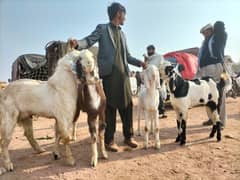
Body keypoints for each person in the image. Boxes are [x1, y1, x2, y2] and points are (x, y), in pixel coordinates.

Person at [71, 2, 146, 152]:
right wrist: (77, 43)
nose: (125, 17)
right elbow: (89, 40)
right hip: (110, 74)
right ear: (119, 13)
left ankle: (128, 136)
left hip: (124, 74)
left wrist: (139, 63)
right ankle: (109, 140)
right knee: (110, 107)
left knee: (127, 105)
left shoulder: (123, 34)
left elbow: (128, 56)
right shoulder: (103, 28)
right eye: (124, 14)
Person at [197, 22, 228, 128]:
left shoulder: (218, 38)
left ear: (212, 30)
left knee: (219, 94)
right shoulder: (204, 43)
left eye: (206, 31)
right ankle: (211, 118)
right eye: (203, 33)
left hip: (216, 69)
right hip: (204, 71)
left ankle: (221, 121)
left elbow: (221, 30)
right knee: (207, 95)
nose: (204, 34)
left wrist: (217, 26)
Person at [145, 45, 167, 118]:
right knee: (151, 94)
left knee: (157, 93)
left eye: (149, 50)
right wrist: (145, 60)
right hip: (149, 79)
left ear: (153, 50)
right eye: (147, 50)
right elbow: (145, 68)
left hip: (158, 78)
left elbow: (160, 67)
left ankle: (161, 111)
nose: (148, 52)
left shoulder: (159, 57)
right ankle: (154, 110)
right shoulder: (148, 59)